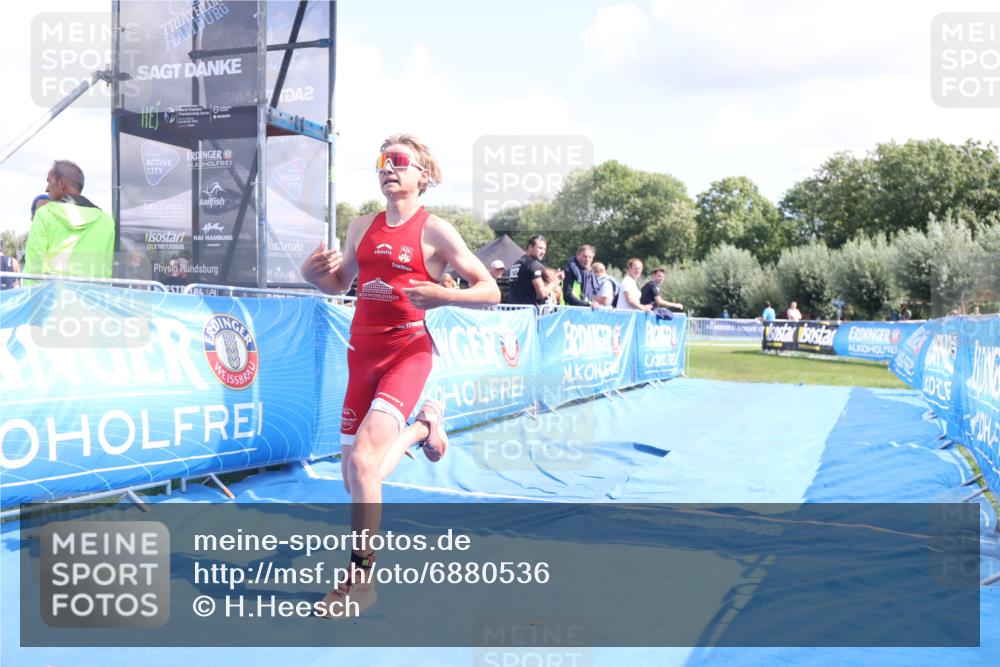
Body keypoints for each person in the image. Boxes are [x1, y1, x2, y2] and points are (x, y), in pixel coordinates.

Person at [300, 133, 499, 618]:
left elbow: (489, 290)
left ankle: (361, 581)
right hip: (361, 353)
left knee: (365, 464)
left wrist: (445, 295)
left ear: (422, 175)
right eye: (382, 162)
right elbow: (338, 283)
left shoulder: (436, 231)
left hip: (408, 352)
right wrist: (309, 275)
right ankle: (422, 428)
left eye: (399, 161)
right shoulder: (360, 226)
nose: (388, 168)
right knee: (354, 479)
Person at [23, 161, 115, 279]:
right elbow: (106, 269)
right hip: (92, 290)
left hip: (52, 290)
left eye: (49, 182)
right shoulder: (106, 221)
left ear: (61, 183)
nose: (46, 189)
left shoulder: (44, 215)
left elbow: (34, 266)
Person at [508, 234, 554, 306]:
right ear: (530, 247)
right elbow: (542, 294)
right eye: (540, 248)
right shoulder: (533, 265)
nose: (543, 252)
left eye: (544, 249)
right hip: (527, 311)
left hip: (514, 310)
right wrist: (555, 281)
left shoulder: (516, 263)